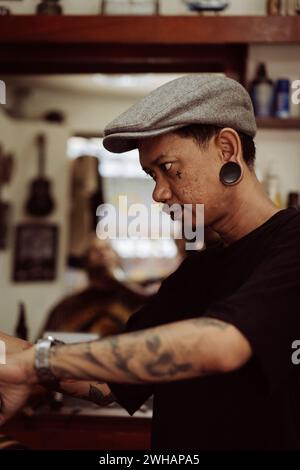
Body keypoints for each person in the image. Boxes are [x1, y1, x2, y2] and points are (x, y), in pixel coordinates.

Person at [1, 74, 300, 450]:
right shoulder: (194, 274)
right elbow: (112, 381)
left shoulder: (292, 243)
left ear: (226, 148)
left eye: (171, 168)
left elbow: (221, 344)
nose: (159, 192)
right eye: (151, 175)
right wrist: (12, 355)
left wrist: (36, 364)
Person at [41, 237, 148, 337]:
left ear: (117, 257)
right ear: (85, 261)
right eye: (94, 250)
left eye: (106, 248)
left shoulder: (135, 302)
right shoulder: (67, 306)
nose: (101, 252)